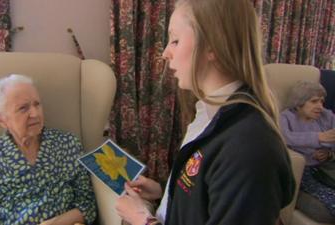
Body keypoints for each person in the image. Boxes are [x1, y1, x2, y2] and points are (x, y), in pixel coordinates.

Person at [115, 0, 295, 225]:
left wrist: (142, 219)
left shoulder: (249, 147)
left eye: (175, 40)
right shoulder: (208, 115)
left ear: (212, 46)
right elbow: (208, 200)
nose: (164, 53)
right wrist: (166, 192)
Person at [0, 74, 96, 225]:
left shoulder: (67, 144)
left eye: (37, 104)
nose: (35, 113)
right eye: (23, 108)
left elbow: (87, 204)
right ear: (0, 118)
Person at [280, 81, 335, 222]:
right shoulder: (286, 117)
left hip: (326, 168)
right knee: (328, 209)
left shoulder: (326, 116)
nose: (320, 107)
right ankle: (297, 195)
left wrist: (329, 153)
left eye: (322, 102)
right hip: (304, 171)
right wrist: (318, 137)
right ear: (299, 103)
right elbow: (286, 138)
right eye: (314, 101)